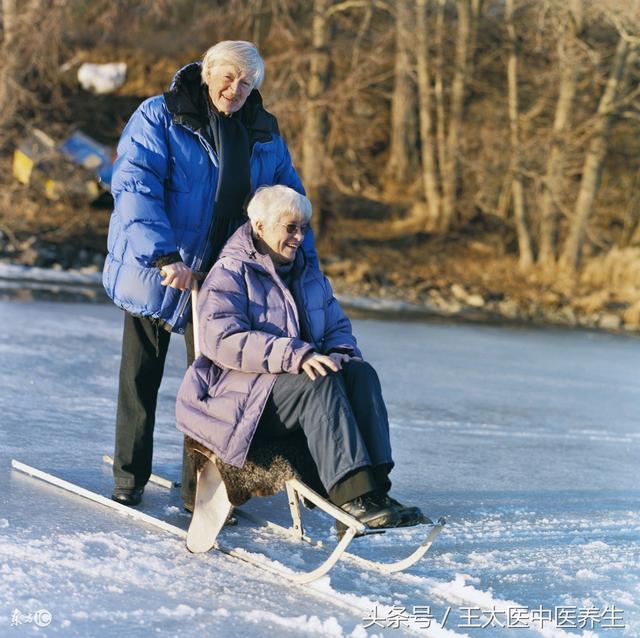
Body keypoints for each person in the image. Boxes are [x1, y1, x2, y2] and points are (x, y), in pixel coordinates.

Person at [103, 41, 314, 508]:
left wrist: (301, 263)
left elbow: (288, 202)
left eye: (246, 83)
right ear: (207, 73)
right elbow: (135, 186)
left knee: (215, 389)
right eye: (227, 77)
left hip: (223, 280)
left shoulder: (262, 133)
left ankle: (198, 492)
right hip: (162, 269)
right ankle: (128, 476)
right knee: (140, 375)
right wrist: (163, 256)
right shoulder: (160, 115)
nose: (235, 89)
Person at [176, 185, 425, 532]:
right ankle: (350, 500)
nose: (299, 237)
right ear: (259, 226)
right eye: (290, 227)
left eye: (304, 228)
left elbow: (338, 325)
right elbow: (223, 340)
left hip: (288, 390)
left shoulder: (309, 275)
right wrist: (295, 354)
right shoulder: (231, 272)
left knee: (361, 374)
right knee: (316, 383)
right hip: (240, 397)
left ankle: (375, 494)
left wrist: (340, 354)